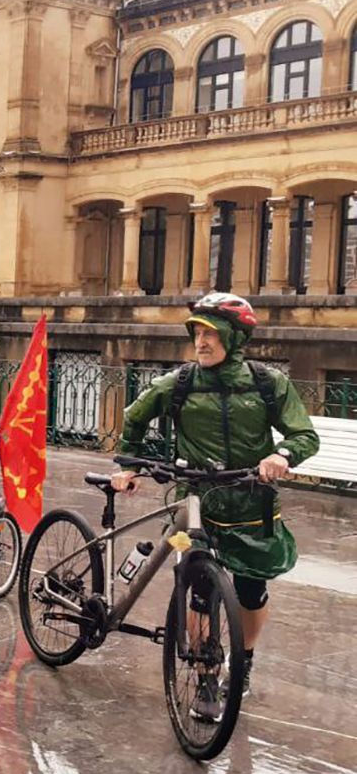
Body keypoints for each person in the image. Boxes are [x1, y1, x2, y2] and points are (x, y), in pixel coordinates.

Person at [111, 293, 318, 712]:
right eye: (197, 333)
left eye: (211, 333)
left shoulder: (267, 383)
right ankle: (206, 676)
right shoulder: (180, 383)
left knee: (251, 592)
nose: (201, 342)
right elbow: (135, 416)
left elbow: (305, 435)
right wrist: (128, 465)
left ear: (234, 338)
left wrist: (282, 455)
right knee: (200, 590)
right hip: (196, 503)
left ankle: (243, 662)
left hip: (251, 504)